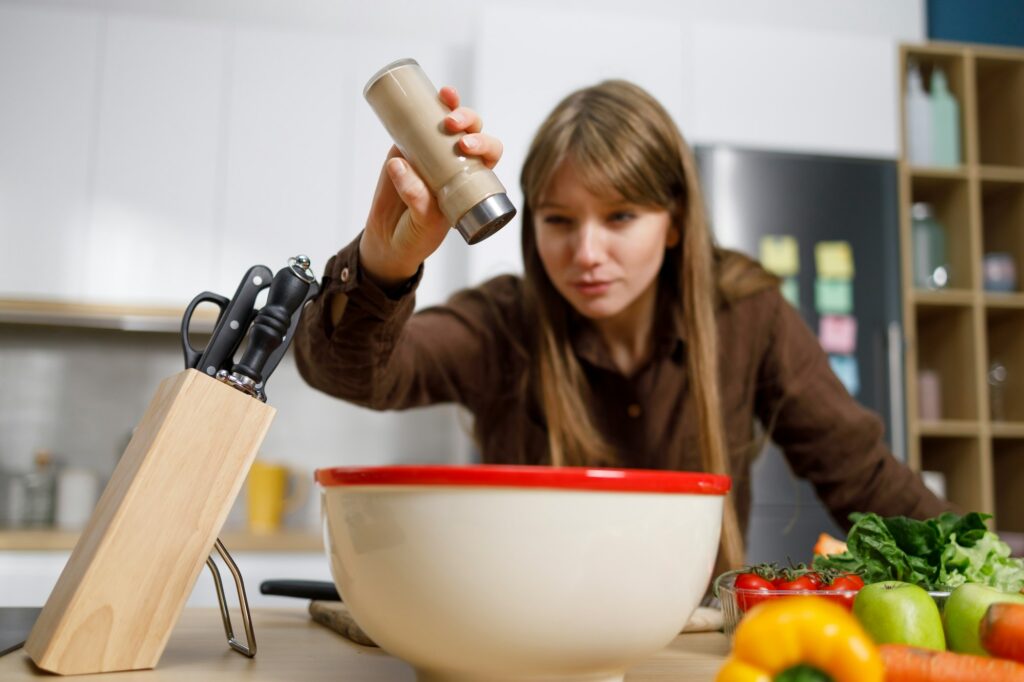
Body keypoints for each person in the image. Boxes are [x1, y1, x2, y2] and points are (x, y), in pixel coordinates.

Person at [294, 80, 952, 572]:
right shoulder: (503, 324)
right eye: (557, 220)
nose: (585, 254)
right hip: (530, 653)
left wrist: (981, 575)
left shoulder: (748, 313)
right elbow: (348, 373)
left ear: (674, 221)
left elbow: (862, 479)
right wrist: (386, 260)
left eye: (620, 217)